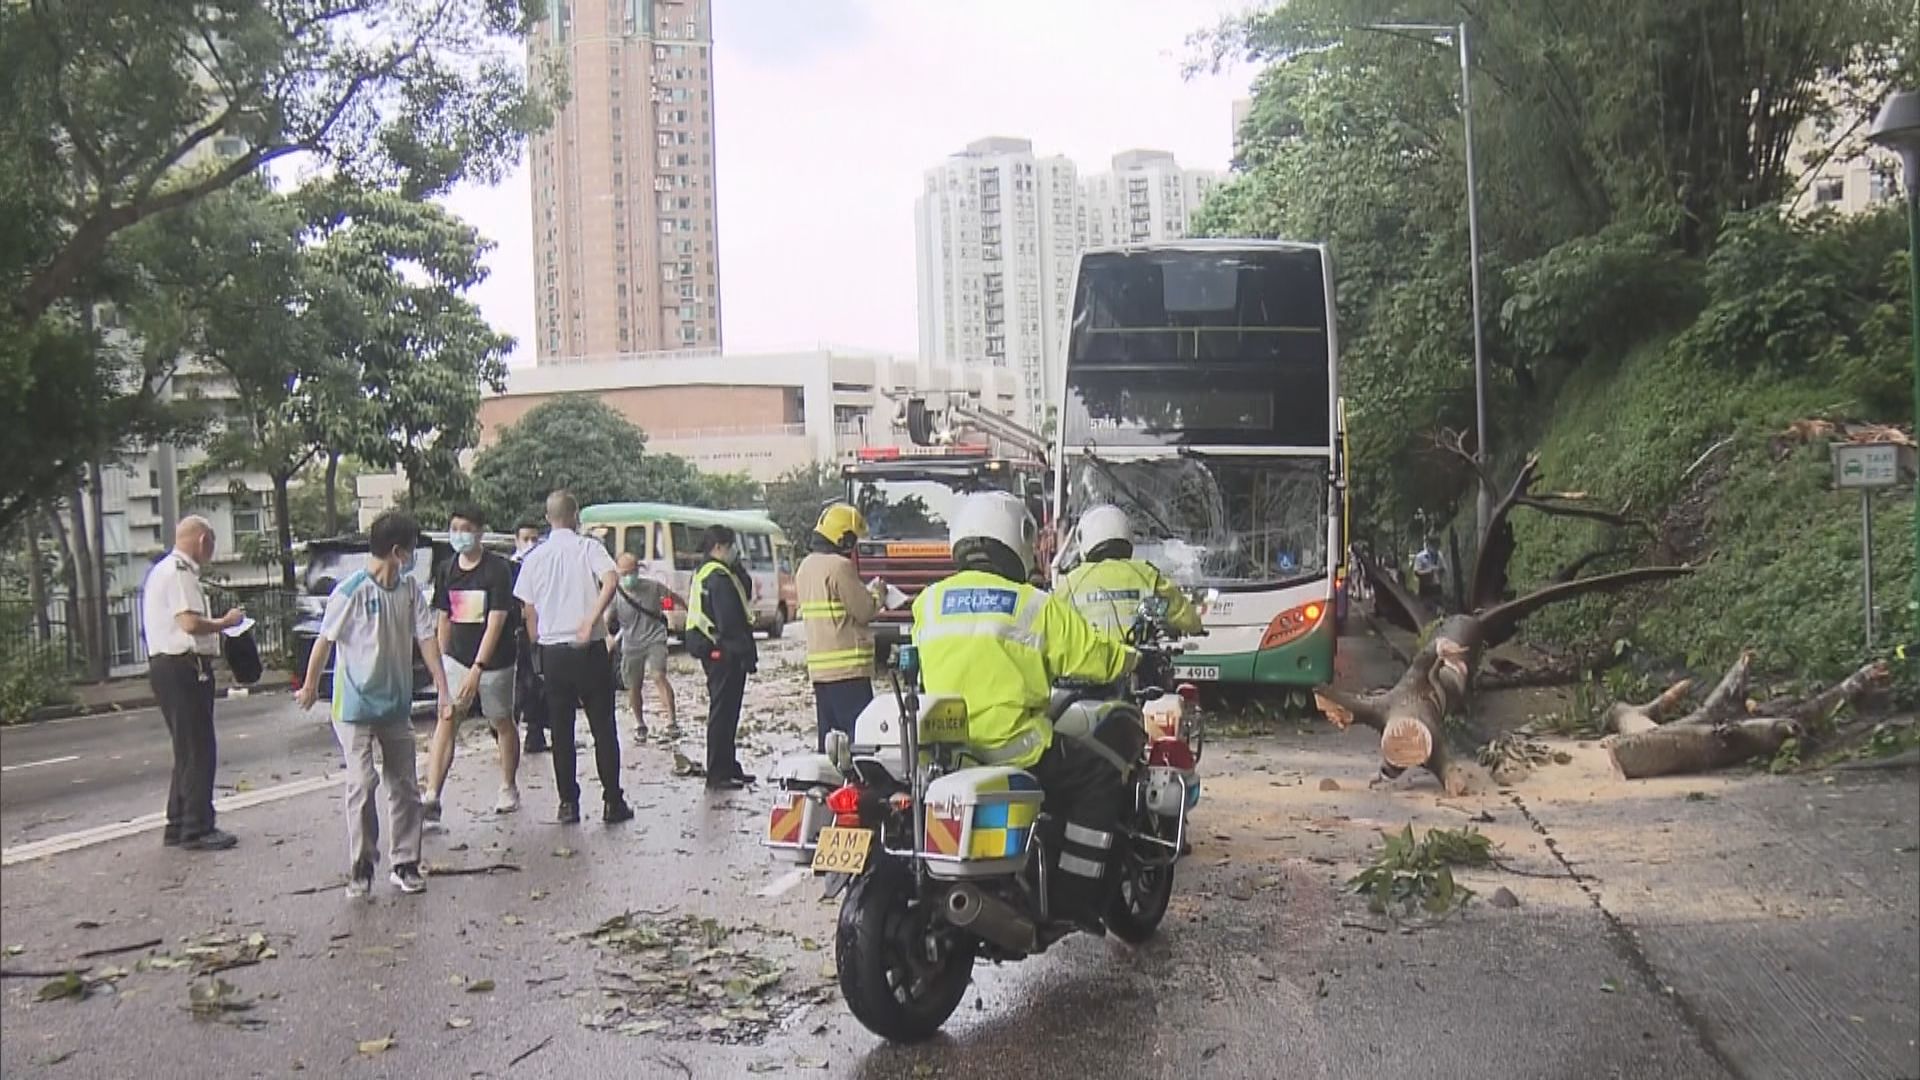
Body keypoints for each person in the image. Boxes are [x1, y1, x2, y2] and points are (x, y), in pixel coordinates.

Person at [911, 492, 1136, 924]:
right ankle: (1075, 898)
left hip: (953, 751)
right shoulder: (1034, 604)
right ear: (1017, 541)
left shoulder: (929, 602)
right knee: (1101, 775)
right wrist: (1129, 658)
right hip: (1016, 748)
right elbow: (1091, 656)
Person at [296, 510, 453, 898]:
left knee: (405, 786)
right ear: (398, 552)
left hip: (395, 703)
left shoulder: (409, 590)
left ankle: (405, 862)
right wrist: (310, 685)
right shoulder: (351, 591)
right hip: (355, 706)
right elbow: (325, 641)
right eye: (411, 550)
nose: (412, 558)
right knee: (363, 782)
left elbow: (426, 638)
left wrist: (443, 689)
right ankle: (362, 865)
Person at [512, 491, 633, 825]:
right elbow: (611, 579)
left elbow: (529, 609)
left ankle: (568, 803)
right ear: (576, 516)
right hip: (589, 649)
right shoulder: (589, 548)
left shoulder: (534, 557)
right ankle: (612, 801)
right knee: (603, 728)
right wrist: (592, 618)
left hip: (553, 652)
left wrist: (537, 646)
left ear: (547, 518)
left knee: (561, 731)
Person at [140, 516, 245, 851]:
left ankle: (179, 822)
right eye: (211, 545)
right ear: (203, 541)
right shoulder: (180, 572)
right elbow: (189, 622)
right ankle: (197, 828)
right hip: (183, 667)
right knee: (199, 748)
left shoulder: (162, 571)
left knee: (186, 748)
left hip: (167, 667)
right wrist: (225, 622)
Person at [423, 506, 523, 820]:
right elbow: (443, 618)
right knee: (447, 719)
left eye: (466, 528)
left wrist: (478, 668)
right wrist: (441, 664)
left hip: (495, 663)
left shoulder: (497, 570)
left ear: (479, 531)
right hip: (456, 659)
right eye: (454, 528)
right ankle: (432, 795)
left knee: (501, 721)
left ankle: (508, 785)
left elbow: (496, 622)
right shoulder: (446, 569)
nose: (459, 535)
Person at [797, 503, 883, 752]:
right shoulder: (839, 567)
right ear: (843, 538)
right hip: (848, 671)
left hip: (821, 671)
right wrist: (878, 593)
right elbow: (864, 610)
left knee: (831, 744)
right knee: (858, 741)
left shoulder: (805, 567)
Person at [1058, 504, 1203, 639]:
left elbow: (1052, 626)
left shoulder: (1071, 583)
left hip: (1090, 658)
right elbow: (1184, 614)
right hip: (1137, 657)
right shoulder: (1146, 574)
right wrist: (1196, 627)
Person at [684, 524, 757, 790]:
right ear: (718, 547)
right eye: (731, 546)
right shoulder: (716, 576)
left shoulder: (717, 571)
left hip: (717, 649)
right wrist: (743, 651)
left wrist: (738, 567)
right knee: (723, 713)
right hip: (721, 651)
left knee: (728, 712)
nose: (734, 551)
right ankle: (718, 773)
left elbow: (745, 590)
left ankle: (728, 765)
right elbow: (730, 621)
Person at [607, 551, 678, 744]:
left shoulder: (653, 587)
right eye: (624, 573)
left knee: (658, 675)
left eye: (632, 572)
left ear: (638, 570)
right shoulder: (615, 593)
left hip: (655, 638)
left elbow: (672, 598)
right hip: (631, 644)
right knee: (633, 686)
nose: (629, 577)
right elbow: (606, 617)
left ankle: (672, 721)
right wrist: (608, 638)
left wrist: (685, 614)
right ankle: (639, 724)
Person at [511, 521, 549, 754]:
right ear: (516, 540)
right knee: (517, 686)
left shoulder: (543, 566)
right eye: (526, 539)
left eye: (535, 539)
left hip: (538, 633)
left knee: (536, 685)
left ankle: (535, 733)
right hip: (515, 635)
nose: (531, 543)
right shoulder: (510, 568)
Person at [1413, 538, 1444, 606]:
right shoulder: (1420, 556)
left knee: (1439, 607)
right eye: (1434, 544)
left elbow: (1443, 569)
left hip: (1437, 587)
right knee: (1425, 607)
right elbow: (1416, 572)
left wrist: (1439, 573)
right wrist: (1428, 572)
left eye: (1437, 545)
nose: (1436, 547)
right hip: (1425, 588)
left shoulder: (1439, 555)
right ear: (1429, 545)